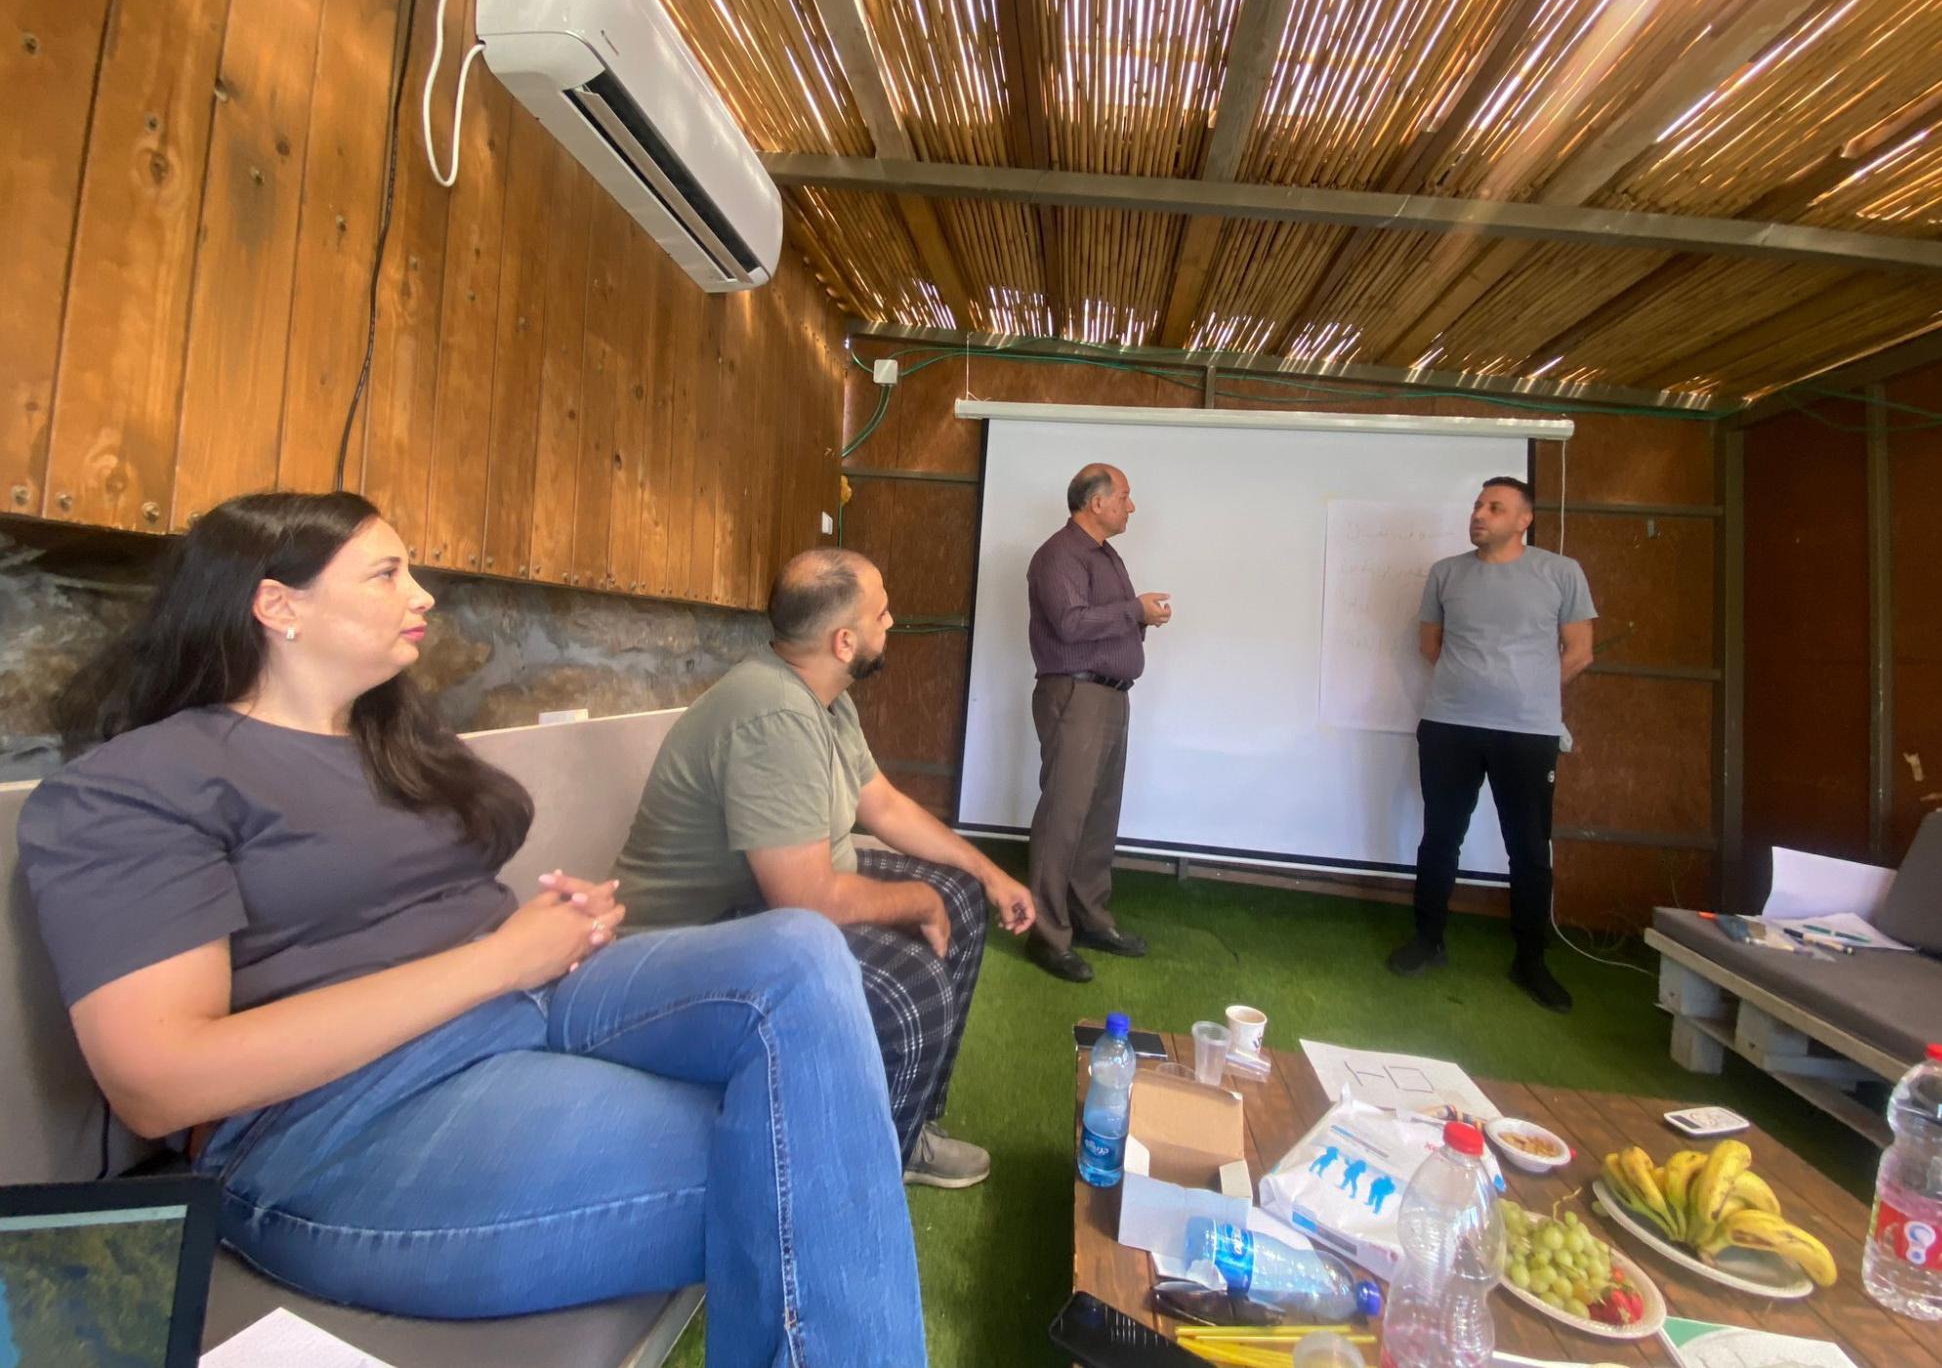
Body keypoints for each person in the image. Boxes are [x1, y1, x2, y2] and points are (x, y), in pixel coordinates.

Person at [18, 492, 923, 1367]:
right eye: (386, 574)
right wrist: (499, 960)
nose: (422, 595)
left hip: (536, 1001)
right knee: (804, 1149)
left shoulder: (390, 743)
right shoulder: (140, 785)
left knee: (800, 952)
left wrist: (544, 935)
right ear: (278, 606)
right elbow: (160, 1080)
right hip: (345, 1120)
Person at [616, 548, 1036, 1190]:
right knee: (914, 983)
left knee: (961, 895)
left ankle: (907, 1124)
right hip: (682, 946)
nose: (891, 622)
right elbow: (807, 899)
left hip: (761, 902)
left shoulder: (826, 699)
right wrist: (917, 901)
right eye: (881, 613)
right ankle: (859, 1179)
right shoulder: (774, 716)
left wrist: (989, 871)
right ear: (844, 641)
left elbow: (884, 805)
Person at [1387, 476, 1595, 1013]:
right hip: (1449, 726)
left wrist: (1528, 692)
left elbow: (1579, 651)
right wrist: (1474, 688)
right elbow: (1430, 645)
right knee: (1440, 838)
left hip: (1528, 732)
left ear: (1524, 520)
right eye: (1478, 505)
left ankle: (1530, 960)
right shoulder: (1446, 573)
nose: (1479, 514)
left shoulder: (1560, 573)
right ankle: (1428, 941)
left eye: (1495, 507)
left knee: (1528, 850)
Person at [1022, 463, 1171, 983]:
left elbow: (1106, 620)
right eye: (1125, 497)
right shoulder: (1058, 554)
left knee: (1099, 816)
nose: (1132, 506)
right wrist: (1134, 611)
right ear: (1096, 502)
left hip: (1109, 697)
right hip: (1076, 695)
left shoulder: (1107, 555)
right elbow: (1070, 624)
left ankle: (1089, 920)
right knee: (1064, 815)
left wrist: (1139, 617)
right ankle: (1046, 935)